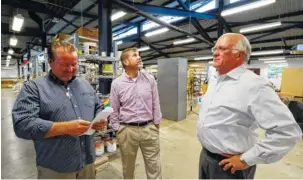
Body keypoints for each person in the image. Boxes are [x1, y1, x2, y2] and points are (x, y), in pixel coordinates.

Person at [197, 33, 302, 179]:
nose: (215, 53)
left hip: (229, 166)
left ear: (239, 55)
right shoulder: (217, 81)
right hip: (206, 157)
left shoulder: (254, 86)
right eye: (215, 48)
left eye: (222, 49)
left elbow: (287, 131)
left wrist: (246, 159)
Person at [12, 40, 106, 179]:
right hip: (56, 168)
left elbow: (98, 106)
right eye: (64, 64)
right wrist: (64, 128)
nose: (70, 69)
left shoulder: (85, 85)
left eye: (74, 64)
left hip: (87, 162)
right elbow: (22, 124)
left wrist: (100, 119)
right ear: (50, 61)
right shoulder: (34, 88)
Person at [110, 48, 162, 179]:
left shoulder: (149, 79)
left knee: (154, 166)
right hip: (127, 131)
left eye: (139, 55)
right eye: (135, 55)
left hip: (149, 128)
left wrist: (156, 124)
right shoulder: (117, 84)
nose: (139, 57)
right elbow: (114, 109)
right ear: (126, 62)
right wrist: (118, 129)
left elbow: (156, 103)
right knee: (128, 168)